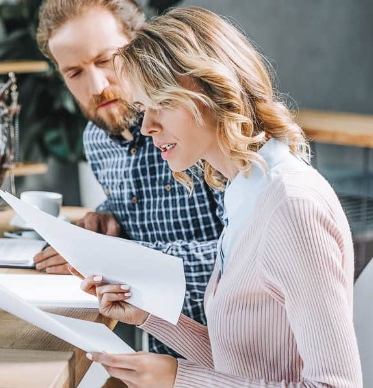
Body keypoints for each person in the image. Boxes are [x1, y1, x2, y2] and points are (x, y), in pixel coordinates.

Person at [76, 7, 363, 387]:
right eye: (143, 109)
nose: (147, 127)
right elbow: (241, 362)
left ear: (211, 89)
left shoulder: (292, 207)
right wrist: (149, 315)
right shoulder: (244, 190)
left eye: (161, 104)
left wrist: (179, 380)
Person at [34, 0, 225, 356]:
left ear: (140, 46)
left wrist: (114, 258)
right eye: (74, 73)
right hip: (161, 355)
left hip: (238, 357)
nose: (96, 85)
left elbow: (242, 261)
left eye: (106, 60)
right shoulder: (96, 140)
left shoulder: (194, 129)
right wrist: (106, 219)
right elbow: (141, 210)